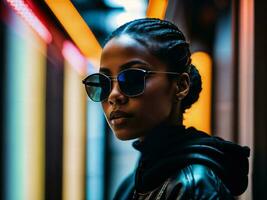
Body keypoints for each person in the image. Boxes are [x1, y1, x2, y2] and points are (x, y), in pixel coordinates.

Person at [82, 18, 250, 200]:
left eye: (132, 78)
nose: (114, 96)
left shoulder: (195, 186)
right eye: (104, 83)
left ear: (180, 85)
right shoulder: (133, 182)